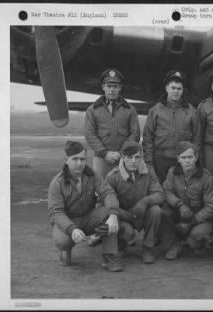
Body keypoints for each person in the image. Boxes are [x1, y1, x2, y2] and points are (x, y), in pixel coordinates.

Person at [47, 141, 122, 272]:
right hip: (69, 220)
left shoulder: (92, 175)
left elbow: (108, 193)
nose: (79, 164)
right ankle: (65, 251)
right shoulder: (56, 183)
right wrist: (72, 229)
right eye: (75, 159)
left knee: (110, 214)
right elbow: (56, 212)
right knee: (63, 242)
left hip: (88, 217)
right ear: (66, 160)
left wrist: (113, 215)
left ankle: (109, 256)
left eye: (82, 159)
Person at [105, 141, 164, 265]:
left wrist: (145, 201)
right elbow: (105, 203)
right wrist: (122, 214)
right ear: (123, 158)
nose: (133, 161)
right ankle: (121, 246)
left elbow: (159, 194)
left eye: (137, 157)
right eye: (129, 157)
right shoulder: (112, 177)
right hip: (123, 217)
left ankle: (147, 248)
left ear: (141, 157)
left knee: (156, 210)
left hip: (141, 214)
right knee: (125, 230)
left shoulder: (149, 171)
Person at [160, 141, 213, 260]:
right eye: (183, 157)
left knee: (195, 239)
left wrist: (193, 221)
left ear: (196, 157)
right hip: (181, 213)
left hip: (200, 217)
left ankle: (203, 240)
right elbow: (166, 192)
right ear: (178, 158)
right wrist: (180, 205)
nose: (187, 161)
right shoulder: (172, 173)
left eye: (190, 157)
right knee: (163, 211)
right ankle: (173, 246)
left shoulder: (206, 177)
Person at [143, 70, 201, 183]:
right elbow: (147, 139)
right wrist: (149, 163)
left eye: (179, 89)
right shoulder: (155, 111)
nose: (175, 91)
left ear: (183, 90)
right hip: (159, 160)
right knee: (159, 192)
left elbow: (197, 139)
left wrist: (193, 161)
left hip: (181, 161)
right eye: (173, 88)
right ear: (166, 88)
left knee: (180, 192)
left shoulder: (191, 112)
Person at [84, 68, 140, 180]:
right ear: (103, 87)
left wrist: (121, 153)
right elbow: (89, 134)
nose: (112, 90)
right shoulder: (93, 110)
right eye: (109, 86)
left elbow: (135, 134)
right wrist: (105, 153)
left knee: (123, 188)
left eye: (115, 86)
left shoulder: (130, 110)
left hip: (123, 157)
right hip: (101, 158)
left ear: (120, 88)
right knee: (99, 188)